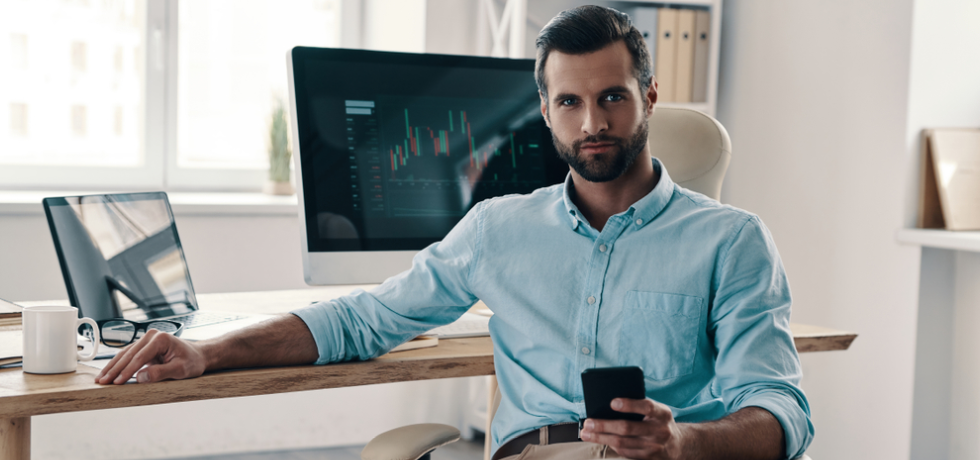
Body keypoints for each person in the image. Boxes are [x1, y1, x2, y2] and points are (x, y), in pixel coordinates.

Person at [96, 5, 813, 459]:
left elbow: (781, 413)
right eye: (570, 101)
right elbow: (365, 319)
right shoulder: (498, 229)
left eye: (612, 98)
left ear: (649, 97)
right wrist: (205, 352)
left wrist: (680, 441)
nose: (592, 122)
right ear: (545, 110)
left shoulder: (733, 241)